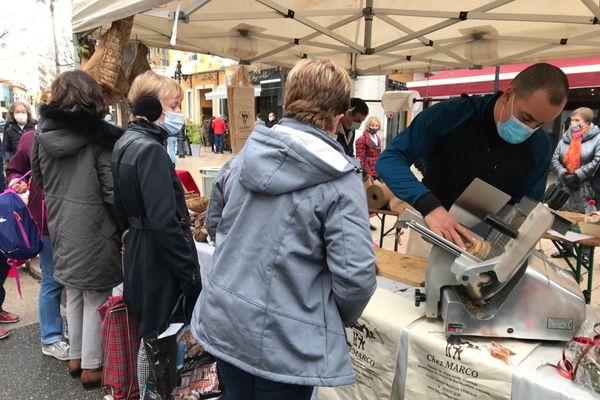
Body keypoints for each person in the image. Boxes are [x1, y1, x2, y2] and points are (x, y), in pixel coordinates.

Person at [191, 59, 377, 400]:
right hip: (289, 337)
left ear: (288, 103)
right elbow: (356, 277)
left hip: (227, 319)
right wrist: (333, 315)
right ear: (338, 118)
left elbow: (216, 225)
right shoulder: (339, 179)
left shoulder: (243, 157)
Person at [377, 63, 569, 249]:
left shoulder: (539, 145)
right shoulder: (451, 115)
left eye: (540, 124)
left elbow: (527, 205)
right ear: (508, 95)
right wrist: (428, 205)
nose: (530, 129)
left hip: (488, 243)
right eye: (526, 118)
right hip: (431, 230)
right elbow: (390, 159)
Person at [111, 71, 202, 393]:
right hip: (157, 258)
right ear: (151, 107)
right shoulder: (149, 150)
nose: (180, 111)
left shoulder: (125, 142)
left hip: (139, 248)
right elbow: (165, 221)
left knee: (149, 335)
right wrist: (189, 273)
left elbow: (117, 205)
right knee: (159, 339)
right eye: (174, 104)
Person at [32, 70, 124, 388]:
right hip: (96, 226)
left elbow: (39, 180)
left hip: (60, 224)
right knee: (96, 293)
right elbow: (111, 189)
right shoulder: (98, 137)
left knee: (73, 290)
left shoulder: (41, 133)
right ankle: (92, 367)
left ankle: (75, 357)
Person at [5, 87, 69, 358]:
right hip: (45, 220)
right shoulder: (31, 137)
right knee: (53, 278)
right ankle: (51, 336)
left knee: (74, 281)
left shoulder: (80, 135)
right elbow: (15, 168)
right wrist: (16, 182)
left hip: (77, 219)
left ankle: (70, 331)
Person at [550, 107, 600, 258]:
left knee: (586, 220)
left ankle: (585, 252)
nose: (573, 123)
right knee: (565, 217)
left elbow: (598, 160)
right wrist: (563, 173)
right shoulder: (565, 138)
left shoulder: (597, 139)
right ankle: (566, 247)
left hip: (585, 187)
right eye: (572, 120)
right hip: (565, 187)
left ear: (587, 122)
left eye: (577, 120)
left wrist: (578, 175)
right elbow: (554, 159)